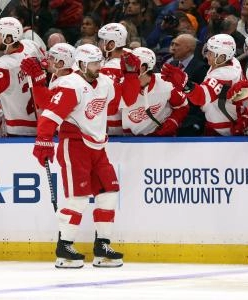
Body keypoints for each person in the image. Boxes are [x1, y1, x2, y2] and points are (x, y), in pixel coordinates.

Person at [25, 43, 140, 268]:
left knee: (109, 192)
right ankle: (64, 247)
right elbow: (50, 114)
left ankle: (102, 245)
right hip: (74, 145)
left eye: (99, 62)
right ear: (82, 64)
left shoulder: (105, 82)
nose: (99, 67)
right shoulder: (70, 84)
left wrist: (132, 75)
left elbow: (125, 101)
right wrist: (44, 140)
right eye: (94, 63)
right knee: (77, 198)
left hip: (98, 146)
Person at [161, 34, 243, 136]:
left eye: (211, 53)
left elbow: (200, 98)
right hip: (219, 121)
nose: (207, 55)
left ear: (222, 57)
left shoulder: (225, 75)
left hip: (225, 130)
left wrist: (185, 83)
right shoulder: (231, 61)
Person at [121, 47, 189, 136]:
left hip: (161, 139)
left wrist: (172, 123)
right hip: (130, 140)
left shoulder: (166, 82)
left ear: (143, 68)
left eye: (131, 64)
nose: (126, 67)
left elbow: (182, 107)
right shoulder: (120, 84)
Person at [97, 22, 128, 136]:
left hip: (111, 125)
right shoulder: (130, 58)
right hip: (126, 123)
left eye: (102, 41)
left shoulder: (110, 67)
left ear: (111, 45)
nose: (99, 44)